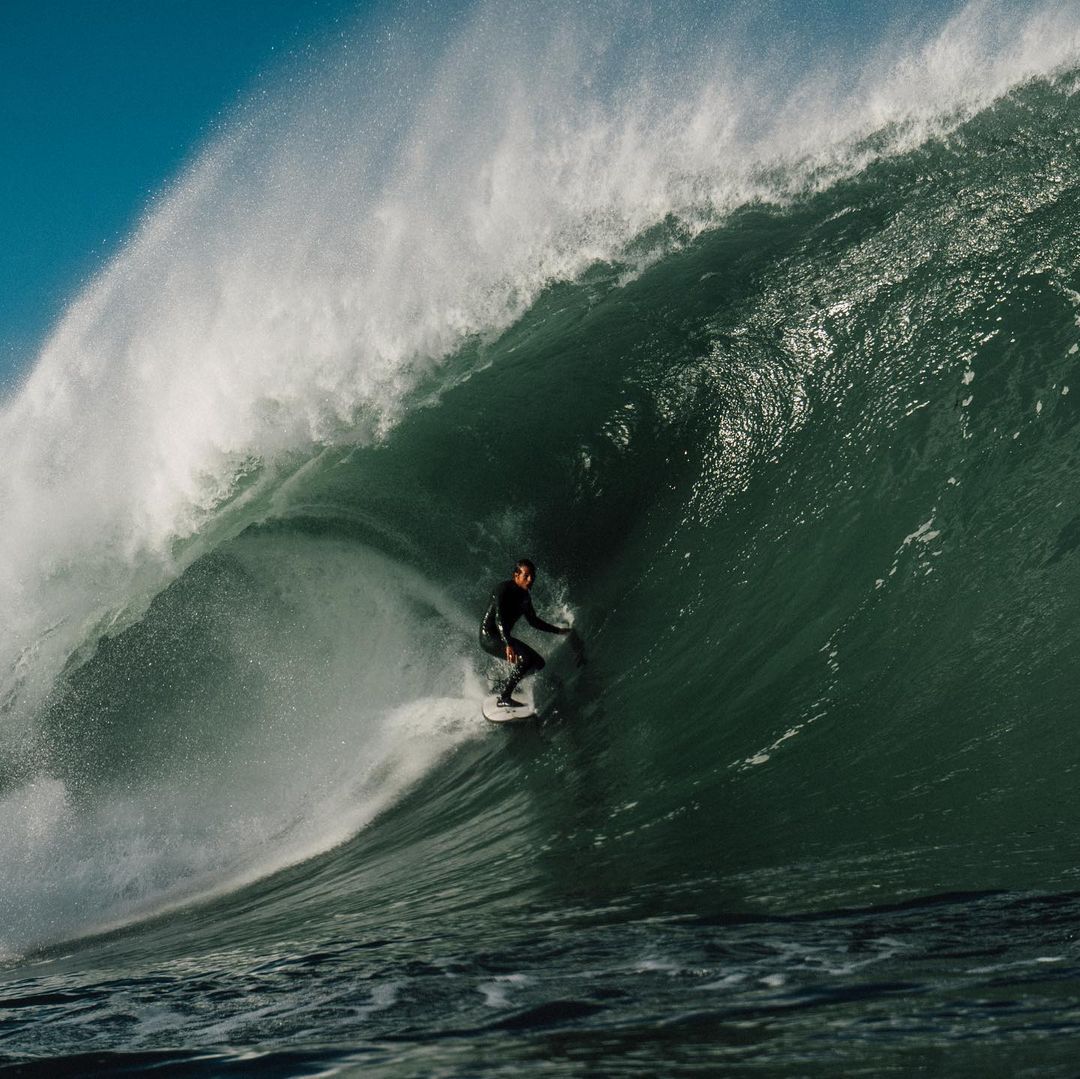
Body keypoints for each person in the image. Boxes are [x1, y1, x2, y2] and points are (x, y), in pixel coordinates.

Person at [480, 558, 571, 708]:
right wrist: (508, 643)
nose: (530, 580)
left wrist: (558, 631)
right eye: (526, 576)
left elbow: (534, 621)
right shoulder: (502, 590)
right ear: (516, 575)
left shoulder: (525, 598)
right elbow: (499, 618)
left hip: (504, 638)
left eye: (532, 577)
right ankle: (504, 697)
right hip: (489, 637)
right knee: (526, 660)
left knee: (538, 663)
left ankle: (506, 684)